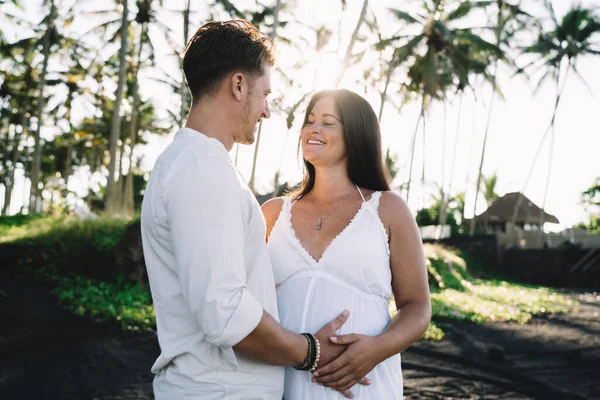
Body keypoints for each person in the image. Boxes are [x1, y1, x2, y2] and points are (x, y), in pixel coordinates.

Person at [140, 20, 366, 400]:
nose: (266, 112)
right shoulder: (202, 171)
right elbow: (224, 314)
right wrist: (311, 351)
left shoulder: (194, 164)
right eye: (264, 94)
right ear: (239, 84)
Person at [262, 89, 432, 399]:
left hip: (362, 385)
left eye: (328, 122)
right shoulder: (272, 213)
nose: (314, 129)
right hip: (283, 382)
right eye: (310, 121)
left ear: (355, 134)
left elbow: (418, 307)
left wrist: (373, 351)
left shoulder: (387, 208)